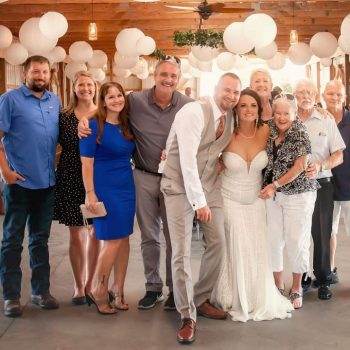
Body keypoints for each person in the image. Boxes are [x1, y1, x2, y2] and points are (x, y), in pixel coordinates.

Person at [79, 56, 192, 310]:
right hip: (140, 177)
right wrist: (84, 121)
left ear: (179, 78)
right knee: (147, 236)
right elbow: (104, 107)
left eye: (173, 76)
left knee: (172, 236)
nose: (168, 79)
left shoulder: (188, 105)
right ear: (154, 74)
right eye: (164, 74)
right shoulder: (135, 100)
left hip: (172, 180)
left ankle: (174, 290)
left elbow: (206, 126)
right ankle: (152, 287)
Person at [160, 73, 241, 344]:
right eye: (227, 90)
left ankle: (200, 297)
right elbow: (186, 160)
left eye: (235, 93)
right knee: (181, 252)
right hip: (179, 186)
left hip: (209, 184)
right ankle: (187, 315)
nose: (231, 96)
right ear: (215, 88)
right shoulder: (194, 111)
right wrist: (199, 203)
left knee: (218, 241)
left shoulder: (231, 117)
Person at [210, 89, 293, 322]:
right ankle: (232, 296)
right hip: (229, 198)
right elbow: (208, 159)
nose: (248, 110)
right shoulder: (225, 133)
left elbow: (291, 127)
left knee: (257, 247)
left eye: (253, 106)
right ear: (236, 109)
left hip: (257, 199)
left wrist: (313, 111)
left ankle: (257, 297)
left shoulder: (268, 131)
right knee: (236, 244)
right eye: (243, 105)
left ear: (259, 109)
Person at [0, 55, 60, 317]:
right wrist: (5, 172)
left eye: (45, 72)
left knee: (40, 240)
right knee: (12, 241)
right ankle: (11, 296)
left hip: (46, 183)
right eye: (36, 71)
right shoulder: (9, 100)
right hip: (19, 185)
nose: (41, 76)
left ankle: (40, 292)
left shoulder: (54, 101)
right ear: (25, 74)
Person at [80, 82, 135, 314]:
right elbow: (87, 162)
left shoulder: (126, 124)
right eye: (110, 96)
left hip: (126, 186)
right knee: (112, 240)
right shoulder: (92, 126)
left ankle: (118, 290)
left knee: (124, 239)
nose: (116, 100)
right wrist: (90, 192)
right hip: (104, 187)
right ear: (102, 101)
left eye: (119, 95)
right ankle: (98, 289)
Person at [261, 95, 319, 309]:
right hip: (273, 196)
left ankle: (296, 287)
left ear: (295, 114)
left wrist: (274, 184)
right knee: (274, 240)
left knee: (296, 241)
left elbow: (300, 166)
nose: (282, 117)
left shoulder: (300, 131)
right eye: (278, 113)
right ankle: (277, 283)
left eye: (287, 113)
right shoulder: (271, 128)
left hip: (298, 194)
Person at [295, 79, 345, 300]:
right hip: (295, 185)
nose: (305, 96)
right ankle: (303, 277)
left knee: (322, 234)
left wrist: (322, 165)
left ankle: (323, 280)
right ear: (294, 95)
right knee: (300, 234)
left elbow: (339, 154)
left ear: (316, 96)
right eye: (301, 92)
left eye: (309, 92)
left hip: (322, 183)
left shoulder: (326, 120)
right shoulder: (289, 118)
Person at [53, 71, 100, 305]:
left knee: (94, 232)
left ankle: (91, 284)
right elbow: (51, 145)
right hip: (70, 175)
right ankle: (78, 285)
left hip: (93, 178)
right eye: (81, 85)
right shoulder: (63, 116)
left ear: (95, 87)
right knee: (76, 234)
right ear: (74, 88)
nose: (85, 89)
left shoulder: (101, 114)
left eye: (89, 85)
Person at [322, 80, 350, 285]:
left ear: (345, 97)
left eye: (338, 94)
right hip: (328, 187)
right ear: (323, 96)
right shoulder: (320, 119)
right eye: (330, 94)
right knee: (328, 232)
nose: (335, 97)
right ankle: (330, 270)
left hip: (349, 187)